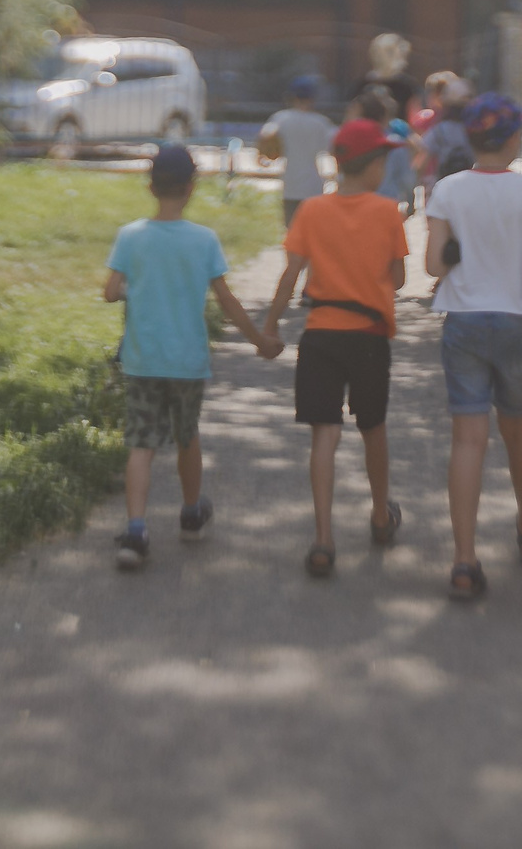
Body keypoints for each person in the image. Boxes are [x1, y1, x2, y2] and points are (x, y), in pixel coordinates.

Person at [100, 143, 279, 572]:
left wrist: (135, 290)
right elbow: (227, 300)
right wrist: (258, 339)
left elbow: (109, 291)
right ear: (191, 187)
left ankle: (137, 530)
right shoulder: (203, 240)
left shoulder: (131, 236)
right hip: (187, 362)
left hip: (143, 360)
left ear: (149, 185)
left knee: (141, 445)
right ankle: (191, 512)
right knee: (187, 437)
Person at [421, 92, 522, 601]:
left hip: (462, 321)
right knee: (520, 432)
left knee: (468, 441)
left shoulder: (447, 190)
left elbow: (434, 267)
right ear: (510, 139)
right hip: (514, 322)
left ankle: (464, 559)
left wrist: (458, 251)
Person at [257, 117, 411, 577]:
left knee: (324, 433)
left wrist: (270, 327)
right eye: (383, 159)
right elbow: (399, 278)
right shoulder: (387, 212)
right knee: (373, 427)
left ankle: (323, 538)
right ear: (371, 166)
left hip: (320, 334)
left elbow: (291, 274)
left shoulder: (311, 211)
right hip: (368, 337)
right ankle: (381, 515)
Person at [258, 76, 336, 226]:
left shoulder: (281, 118)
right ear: (313, 98)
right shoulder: (321, 122)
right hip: (314, 185)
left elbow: (265, 136)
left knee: (292, 232)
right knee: (313, 232)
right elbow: (333, 148)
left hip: (291, 184)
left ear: (292, 96)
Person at [355, 86, 418, 217]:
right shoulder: (397, 144)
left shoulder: (355, 142)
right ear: (385, 117)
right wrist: (411, 203)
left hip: (357, 204)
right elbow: (407, 178)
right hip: (387, 203)